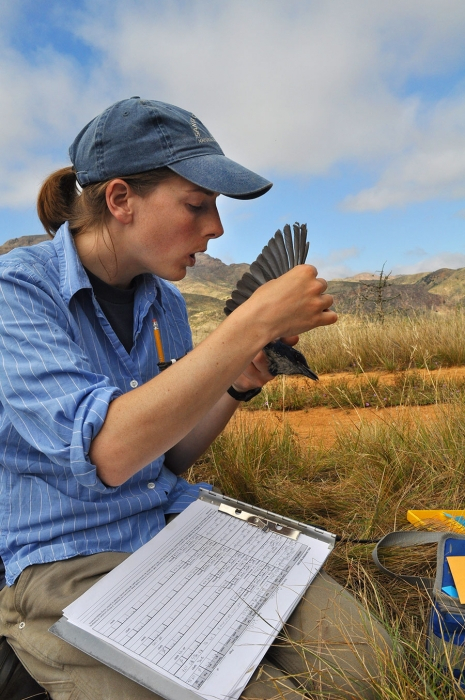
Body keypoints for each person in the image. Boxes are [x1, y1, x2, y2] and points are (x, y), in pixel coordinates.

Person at [0, 97, 392, 699]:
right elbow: (110, 451)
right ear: (120, 199)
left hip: (174, 526)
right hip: (65, 562)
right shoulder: (17, 293)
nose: (216, 228)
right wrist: (248, 326)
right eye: (197, 205)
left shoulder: (165, 304)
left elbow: (167, 457)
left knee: (376, 673)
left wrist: (238, 378)